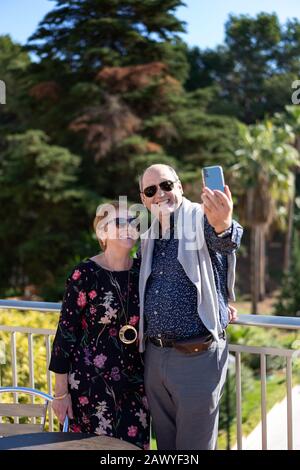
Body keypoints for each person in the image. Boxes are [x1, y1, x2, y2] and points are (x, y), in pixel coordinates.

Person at [138, 164, 243, 450]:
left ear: (180, 187)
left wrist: (223, 222)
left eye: (166, 185)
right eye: (151, 190)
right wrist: (220, 300)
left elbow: (225, 241)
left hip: (197, 359)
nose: (160, 194)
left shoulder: (200, 219)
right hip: (155, 358)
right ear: (144, 199)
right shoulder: (148, 239)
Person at [49, 201, 149, 449]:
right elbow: (65, 337)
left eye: (133, 221)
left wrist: (222, 306)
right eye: (118, 222)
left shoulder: (144, 271)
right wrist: (60, 395)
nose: (129, 227)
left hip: (135, 386)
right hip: (90, 389)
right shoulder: (84, 274)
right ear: (102, 233)